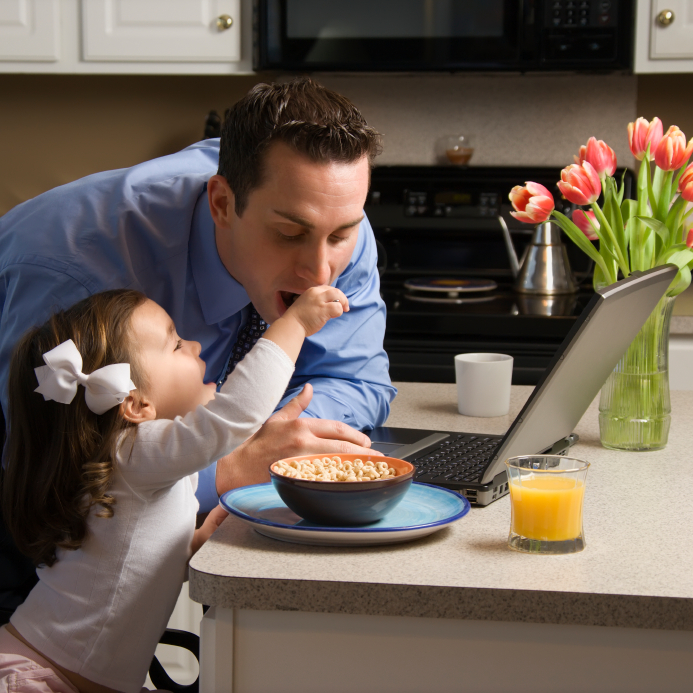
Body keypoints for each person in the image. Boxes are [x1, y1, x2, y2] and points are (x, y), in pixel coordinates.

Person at [0, 77, 396, 613]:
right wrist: (230, 467)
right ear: (222, 203)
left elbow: (354, 380)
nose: (320, 270)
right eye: (288, 235)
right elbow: (52, 483)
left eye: (342, 235)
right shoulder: (75, 272)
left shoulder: (327, 211)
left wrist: (272, 447)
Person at [0, 282, 349, 692]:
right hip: (37, 677)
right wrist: (295, 323)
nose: (197, 345)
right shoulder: (133, 453)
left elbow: (127, 561)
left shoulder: (136, 462)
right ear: (135, 404)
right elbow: (234, 416)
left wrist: (191, 546)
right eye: (177, 344)